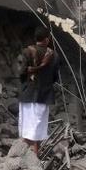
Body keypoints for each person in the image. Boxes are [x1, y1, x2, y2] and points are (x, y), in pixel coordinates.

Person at [18, 26, 60, 155]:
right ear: (47, 40)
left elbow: (21, 73)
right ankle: (34, 157)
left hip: (28, 94)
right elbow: (55, 78)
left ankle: (24, 155)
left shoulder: (27, 52)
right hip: (44, 95)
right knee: (37, 128)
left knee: (26, 127)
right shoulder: (54, 55)